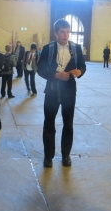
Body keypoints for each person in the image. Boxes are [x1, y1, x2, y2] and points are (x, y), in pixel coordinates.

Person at [37, 19, 86, 168]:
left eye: (68, 32)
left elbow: (83, 67)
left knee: (68, 124)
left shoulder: (76, 48)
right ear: (56, 33)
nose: (66, 35)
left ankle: (66, 155)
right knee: (49, 124)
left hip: (69, 92)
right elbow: (40, 69)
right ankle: (48, 156)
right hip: (52, 91)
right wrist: (55, 75)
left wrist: (79, 72)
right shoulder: (48, 48)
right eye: (62, 32)